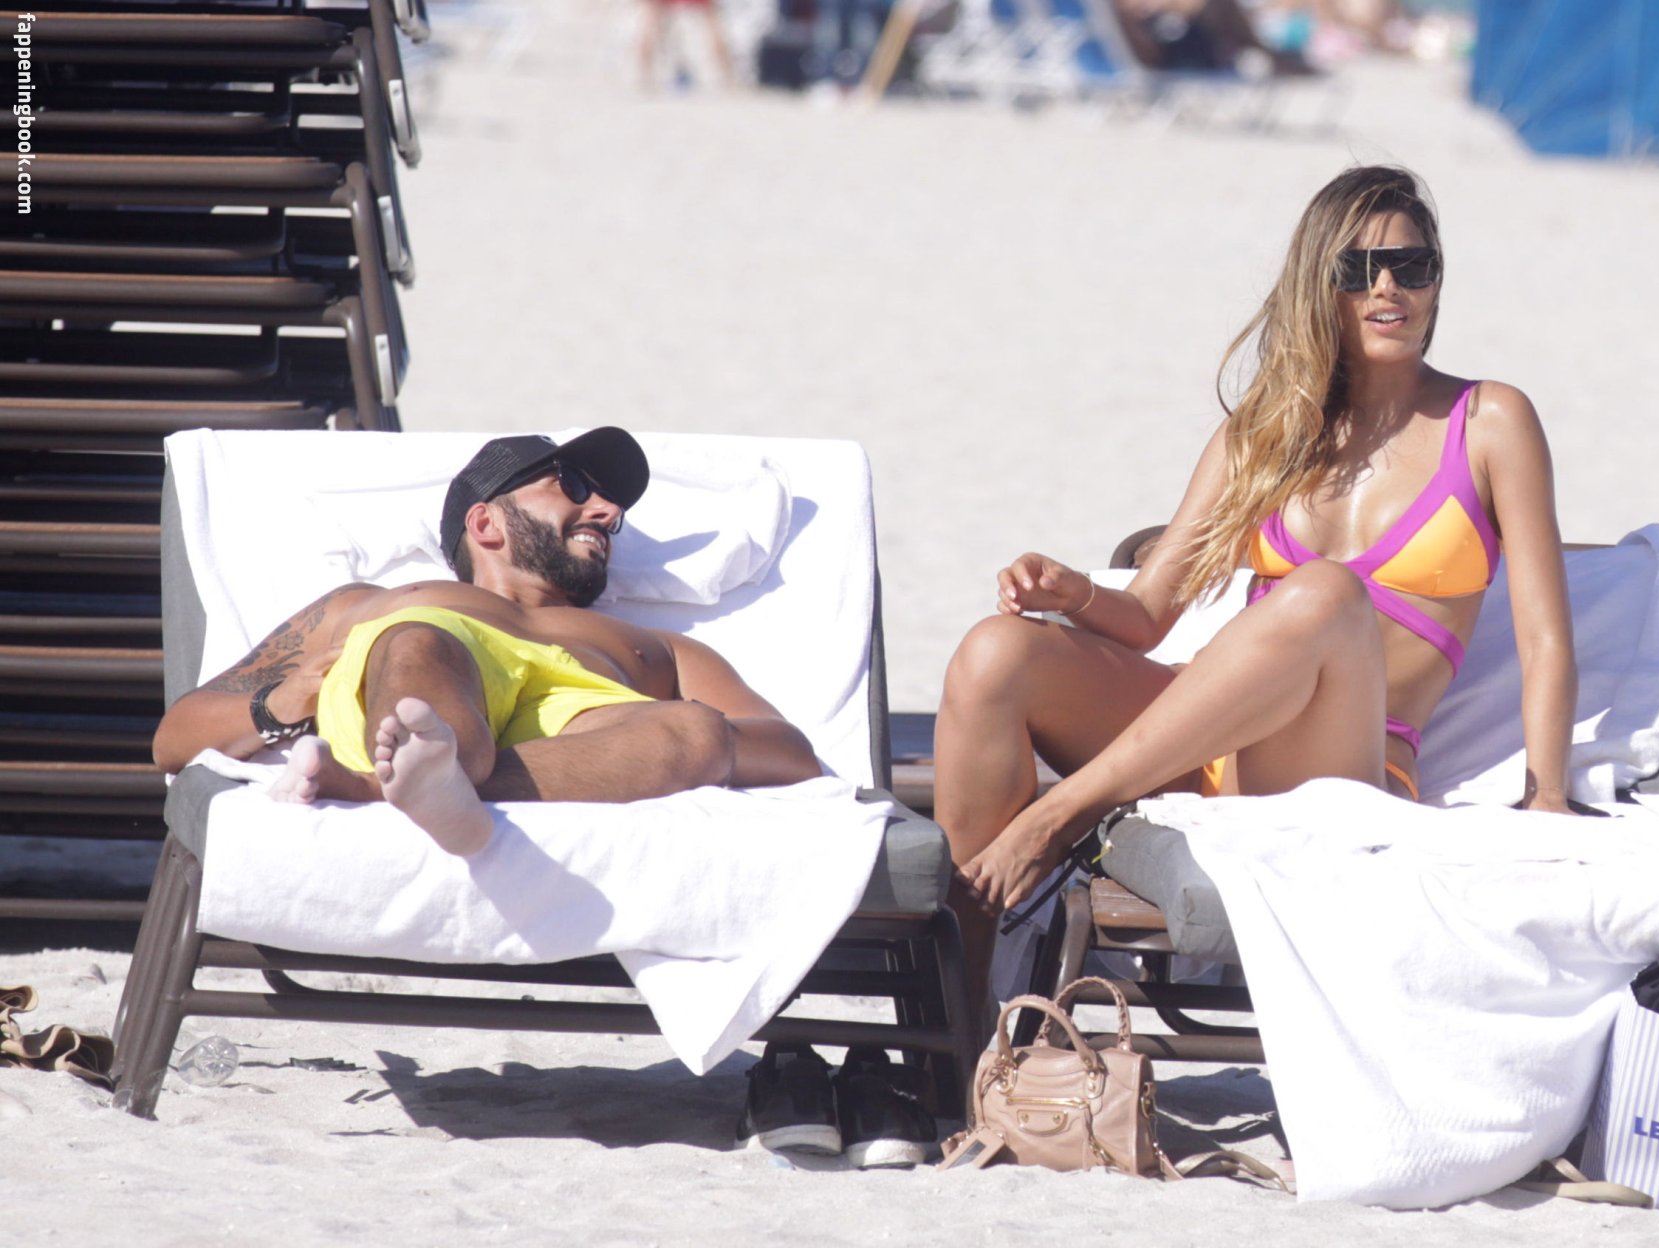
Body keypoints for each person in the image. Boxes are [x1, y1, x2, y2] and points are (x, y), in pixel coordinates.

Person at [934, 165, 1576, 1002]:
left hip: (1335, 765)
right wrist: (1073, 595)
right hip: (1197, 745)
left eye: (1412, 266)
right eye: (1357, 270)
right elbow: (1148, 614)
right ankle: (965, 1021)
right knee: (994, 654)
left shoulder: (1489, 421)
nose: (1388, 288)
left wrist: (1547, 795)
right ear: (1319, 287)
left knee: (1326, 594)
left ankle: (1059, 816)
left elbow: (1544, 637)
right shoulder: (1265, 434)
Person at [151, 429, 822, 856]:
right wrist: (287, 700)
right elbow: (175, 738)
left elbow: (791, 752)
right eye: (575, 487)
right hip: (433, 665)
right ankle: (431, 768)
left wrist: (706, 742)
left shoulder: (655, 648)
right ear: (485, 522)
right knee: (419, 643)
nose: (608, 512)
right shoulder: (372, 602)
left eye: (613, 511)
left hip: (578, 725)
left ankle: (393, 788)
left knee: (696, 731)